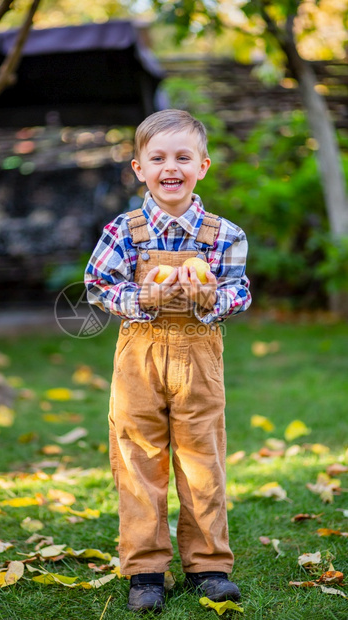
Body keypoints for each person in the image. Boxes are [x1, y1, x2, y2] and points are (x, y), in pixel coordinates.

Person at [85, 109, 251, 613]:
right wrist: (144, 298)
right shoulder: (123, 231)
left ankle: (209, 567)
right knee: (138, 463)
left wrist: (207, 297)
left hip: (199, 364)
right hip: (139, 361)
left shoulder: (223, 234)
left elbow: (239, 292)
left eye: (183, 157)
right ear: (139, 168)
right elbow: (97, 286)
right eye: (158, 158)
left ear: (203, 165)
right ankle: (146, 570)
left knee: (203, 462)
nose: (170, 167)